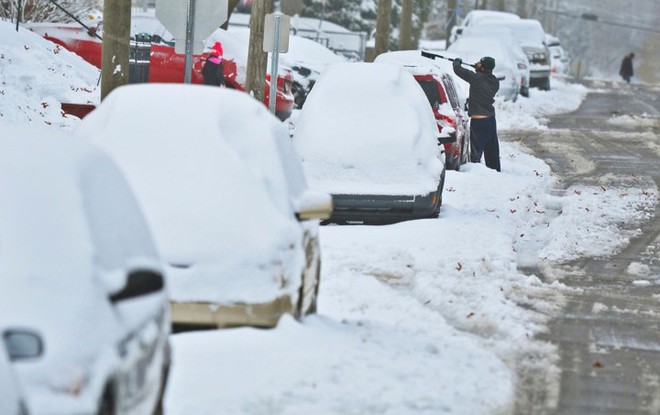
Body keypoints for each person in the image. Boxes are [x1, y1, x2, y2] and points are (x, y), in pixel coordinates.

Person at [452, 56, 501, 172]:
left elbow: (457, 70)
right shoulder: (494, 81)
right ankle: (496, 172)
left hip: (479, 122)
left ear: (483, 67)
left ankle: (476, 175)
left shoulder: (476, 78)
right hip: (490, 120)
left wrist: (457, 62)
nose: (476, 63)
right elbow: (481, 90)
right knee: (492, 150)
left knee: (476, 153)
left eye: (479, 63)